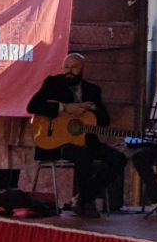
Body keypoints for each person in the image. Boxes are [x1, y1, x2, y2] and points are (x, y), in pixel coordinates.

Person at [26, 54, 127, 218]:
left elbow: (104, 121)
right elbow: (32, 106)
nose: (69, 71)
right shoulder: (53, 83)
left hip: (87, 140)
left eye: (74, 67)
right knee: (83, 155)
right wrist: (64, 108)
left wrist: (93, 108)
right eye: (66, 67)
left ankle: (81, 198)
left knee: (119, 159)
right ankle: (85, 202)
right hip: (55, 141)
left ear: (82, 69)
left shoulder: (92, 90)